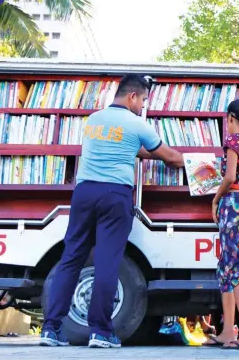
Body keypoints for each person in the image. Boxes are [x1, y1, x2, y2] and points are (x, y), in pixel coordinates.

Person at [40, 74, 184, 348]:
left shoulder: (93, 120)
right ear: (132, 97)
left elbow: (128, 148)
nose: (142, 106)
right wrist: (200, 163)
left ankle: (51, 329)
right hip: (114, 195)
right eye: (142, 100)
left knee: (71, 258)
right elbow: (171, 158)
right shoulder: (136, 123)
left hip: (83, 193)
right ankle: (100, 332)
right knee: (107, 261)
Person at [202, 98, 239, 350]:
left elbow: (228, 177)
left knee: (234, 266)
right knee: (227, 266)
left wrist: (215, 199)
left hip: (232, 204)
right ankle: (228, 330)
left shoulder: (233, 141)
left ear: (231, 118)